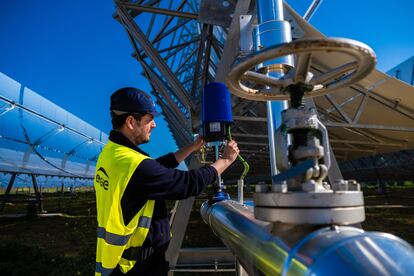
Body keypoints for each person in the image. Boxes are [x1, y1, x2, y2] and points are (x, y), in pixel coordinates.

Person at [94, 87, 239, 275]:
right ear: (131, 122)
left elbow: (155, 167)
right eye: (149, 120)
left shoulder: (112, 153)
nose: (154, 125)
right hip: (136, 267)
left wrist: (191, 148)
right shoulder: (134, 165)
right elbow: (187, 184)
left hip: (120, 261)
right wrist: (225, 160)